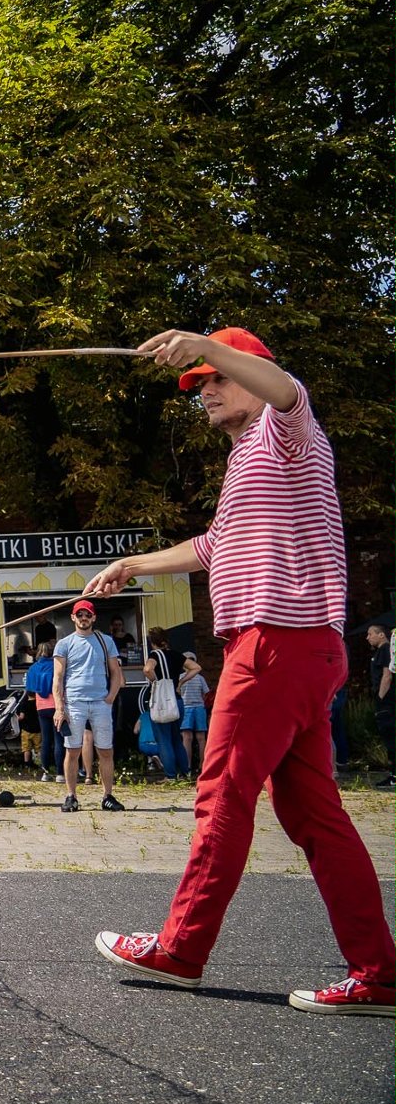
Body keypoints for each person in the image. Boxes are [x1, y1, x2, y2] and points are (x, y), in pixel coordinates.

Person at [89, 326, 396, 1016]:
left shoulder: (285, 432)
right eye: (198, 384)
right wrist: (134, 564)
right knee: (315, 815)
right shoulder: (248, 466)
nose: (204, 392)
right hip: (303, 650)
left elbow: (289, 390)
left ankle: (181, 946)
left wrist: (203, 343)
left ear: (248, 373)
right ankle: (379, 973)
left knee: (222, 792)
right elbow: (212, 545)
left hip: (275, 645)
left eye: (214, 379)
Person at [53, 600, 123, 812]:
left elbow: (115, 672)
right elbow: (58, 677)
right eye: (80, 614)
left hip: (100, 702)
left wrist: (110, 697)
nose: (84, 618)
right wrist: (59, 707)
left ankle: (108, 796)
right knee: (72, 750)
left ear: (93, 618)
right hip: (74, 703)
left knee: (106, 750)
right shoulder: (64, 643)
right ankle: (71, 796)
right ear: (73, 617)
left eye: (88, 615)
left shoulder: (106, 641)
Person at [140, 627, 188, 779]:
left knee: (164, 739)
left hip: (162, 702)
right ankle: (185, 773)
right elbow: (196, 668)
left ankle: (170, 775)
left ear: (152, 642)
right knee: (176, 738)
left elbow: (147, 669)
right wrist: (180, 682)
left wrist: (156, 682)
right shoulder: (176, 654)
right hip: (177, 701)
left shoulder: (155, 654)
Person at [25, 641, 60, 782]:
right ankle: (60, 773)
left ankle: (45, 773)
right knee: (59, 740)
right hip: (56, 706)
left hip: (41, 707)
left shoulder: (33, 668)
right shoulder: (55, 666)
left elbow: (30, 692)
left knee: (45, 740)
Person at [366, 623, 395, 790]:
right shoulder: (379, 651)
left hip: (387, 702)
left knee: (391, 738)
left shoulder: (385, 650)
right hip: (384, 701)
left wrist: (380, 698)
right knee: (388, 738)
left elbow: (387, 675)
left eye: (370, 634)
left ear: (381, 635)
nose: (368, 637)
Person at [176, 653, 210, 774]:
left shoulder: (180, 677)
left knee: (187, 737)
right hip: (199, 707)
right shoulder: (200, 678)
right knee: (201, 738)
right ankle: (202, 765)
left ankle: (188, 766)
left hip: (186, 708)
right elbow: (205, 693)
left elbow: (178, 692)